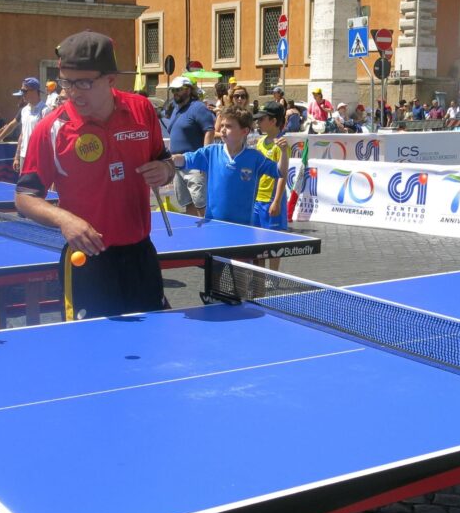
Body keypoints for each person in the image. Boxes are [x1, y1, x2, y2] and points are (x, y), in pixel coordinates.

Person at [15, 30, 175, 321]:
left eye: (84, 83)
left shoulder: (142, 110)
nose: (72, 92)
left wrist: (165, 170)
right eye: (67, 82)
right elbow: (24, 198)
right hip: (86, 260)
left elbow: (163, 161)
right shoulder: (51, 129)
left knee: (153, 349)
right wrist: (65, 219)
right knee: (92, 354)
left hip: (141, 255)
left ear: (110, 80)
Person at [172, 104, 283, 229]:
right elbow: (184, 159)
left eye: (229, 126)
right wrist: (168, 161)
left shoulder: (255, 157)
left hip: (244, 226)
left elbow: (279, 171)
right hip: (213, 224)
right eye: (223, 125)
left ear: (244, 131)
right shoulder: (210, 152)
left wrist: (284, 153)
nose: (223, 129)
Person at [165, 76, 215, 216]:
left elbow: (209, 131)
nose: (175, 93)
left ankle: (208, 232)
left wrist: (204, 158)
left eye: (179, 90)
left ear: (188, 90)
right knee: (188, 203)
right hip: (178, 165)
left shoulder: (198, 107)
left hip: (195, 165)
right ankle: (195, 232)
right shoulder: (176, 109)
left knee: (201, 203)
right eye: (173, 90)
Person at [251, 101, 291, 271]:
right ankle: (260, 273)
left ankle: (273, 274)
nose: (258, 123)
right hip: (257, 199)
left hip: (271, 199)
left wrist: (276, 201)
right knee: (257, 241)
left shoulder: (281, 144)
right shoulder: (260, 142)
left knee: (273, 241)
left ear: (273, 121)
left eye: (262, 119)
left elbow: (282, 176)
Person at [12, 78, 47, 173]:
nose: (22, 94)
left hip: (38, 158)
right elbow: (22, 135)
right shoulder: (24, 110)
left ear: (34, 91)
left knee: (36, 187)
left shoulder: (45, 110)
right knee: (23, 187)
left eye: (24, 91)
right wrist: (17, 157)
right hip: (24, 156)